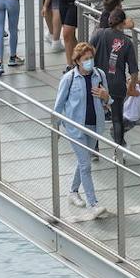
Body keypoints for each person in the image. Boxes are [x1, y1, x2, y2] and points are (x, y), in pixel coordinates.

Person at [52, 42, 111, 219]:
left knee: (82, 161)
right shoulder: (69, 79)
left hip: (94, 126)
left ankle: (72, 192)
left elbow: (107, 101)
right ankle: (93, 204)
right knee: (86, 164)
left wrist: (105, 96)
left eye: (91, 58)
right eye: (86, 59)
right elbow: (58, 105)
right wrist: (56, 127)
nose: (89, 62)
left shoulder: (99, 74)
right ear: (77, 61)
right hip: (75, 128)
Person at [89, 8, 138, 147]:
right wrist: (132, 87)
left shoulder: (99, 34)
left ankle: (94, 148)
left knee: (96, 116)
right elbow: (134, 70)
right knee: (117, 118)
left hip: (97, 82)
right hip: (117, 84)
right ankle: (118, 150)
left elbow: (87, 52)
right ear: (123, 23)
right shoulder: (126, 42)